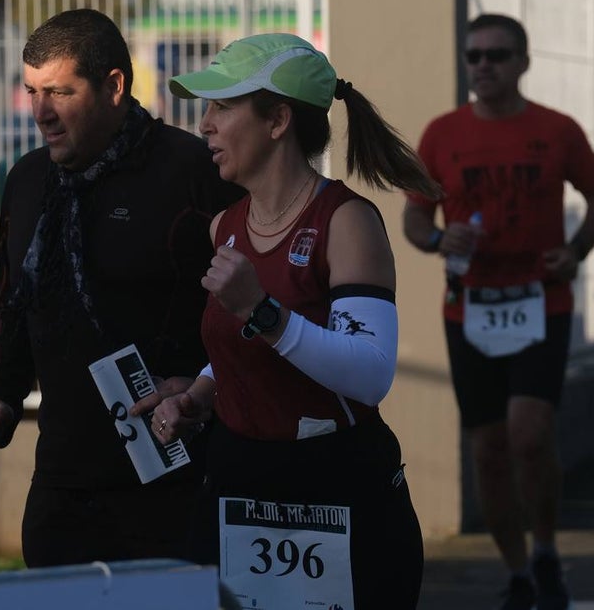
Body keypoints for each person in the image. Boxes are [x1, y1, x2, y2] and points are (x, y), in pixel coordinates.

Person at [140, 33, 432, 608]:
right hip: (240, 484)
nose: (205, 125)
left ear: (278, 120)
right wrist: (200, 393)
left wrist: (261, 310)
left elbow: (370, 374)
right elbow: (239, 349)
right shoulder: (225, 226)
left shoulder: (346, 221)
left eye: (223, 106)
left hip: (337, 489)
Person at [0, 8, 242, 567]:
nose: (40, 112)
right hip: (62, 486)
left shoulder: (191, 172)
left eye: (59, 92)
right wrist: (3, 400)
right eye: (31, 91)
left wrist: (205, 386)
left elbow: (249, 314)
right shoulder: (26, 181)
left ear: (114, 86)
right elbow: (14, 306)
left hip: (173, 480)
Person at [402, 13, 594, 610]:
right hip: (469, 308)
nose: (484, 66)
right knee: (489, 447)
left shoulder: (556, 130)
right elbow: (416, 215)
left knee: (530, 432)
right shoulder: (443, 134)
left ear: (523, 62)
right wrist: (435, 241)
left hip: (540, 301)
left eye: (497, 55)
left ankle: (546, 545)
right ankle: (520, 569)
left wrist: (576, 251)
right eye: (474, 57)